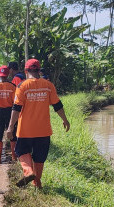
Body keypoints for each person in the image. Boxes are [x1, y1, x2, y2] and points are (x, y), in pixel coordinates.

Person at [6, 59, 70, 189]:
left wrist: (10, 127)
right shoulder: (48, 85)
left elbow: (16, 108)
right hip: (43, 130)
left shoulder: (22, 86)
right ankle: (37, 183)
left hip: (25, 130)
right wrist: (65, 119)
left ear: (26, 71)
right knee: (39, 157)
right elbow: (57, 105)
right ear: (39, 70)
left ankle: (28, 172)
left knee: (22, 151)